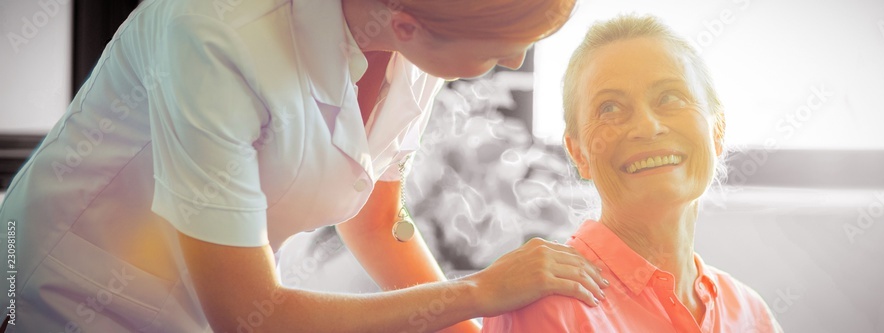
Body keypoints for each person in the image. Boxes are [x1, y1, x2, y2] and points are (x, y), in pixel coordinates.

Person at [0, 0, 614, 331]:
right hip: (61, 292)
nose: (511, 67)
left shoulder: (414, 48)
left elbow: (380, 221)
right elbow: (247, 315)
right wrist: (475, 293)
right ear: (407, 23)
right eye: (496, 56)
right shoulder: (215, 34)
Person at [482, 14, 783, 332]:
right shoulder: (544, 306)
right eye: (609, 108)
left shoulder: (751, 313)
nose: (647, 127)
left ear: (718, 130)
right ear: (578, 153)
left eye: (671, 98)